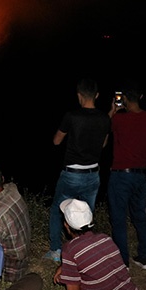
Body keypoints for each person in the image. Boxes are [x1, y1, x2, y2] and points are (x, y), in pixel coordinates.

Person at [43, 199, 140, 290]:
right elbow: (89, 260)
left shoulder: (70, 250)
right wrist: (63, 266)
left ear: (66, 225)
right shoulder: (105, 239)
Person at [44, 77, 112, 263]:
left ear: (79, 95)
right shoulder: (105, 118)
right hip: (93, 174)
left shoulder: (72, 116)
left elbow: (56, 141)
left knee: (58, 210)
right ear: (97, 95)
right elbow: (103, 144)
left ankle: (56, 251)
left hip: (72, 173)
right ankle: (86, 251)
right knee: (86, 214)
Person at [106, 80, 146, 269]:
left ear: (124, 99)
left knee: (118, 218)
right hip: (140, 175)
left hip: (121, 174)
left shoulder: (119, 119)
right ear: (141, 97)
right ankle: (145, 258)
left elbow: (106, 127)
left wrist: (113, 110)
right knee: (140, 216)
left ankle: (123, 261)